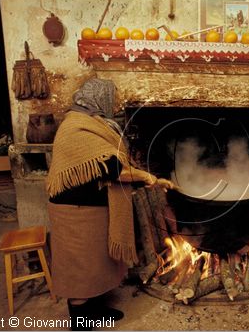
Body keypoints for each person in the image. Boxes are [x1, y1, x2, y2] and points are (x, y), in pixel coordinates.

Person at [46, 78, 173, 331]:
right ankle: (81, 322)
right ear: (97, 99)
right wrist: (148, 178)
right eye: (110, 98)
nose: (114, 104)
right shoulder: (77, 128)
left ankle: (95, 311)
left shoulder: (92, 122)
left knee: (98, 264)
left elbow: (111, 168)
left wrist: (141, 178)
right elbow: (112, 170)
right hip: (75, 211)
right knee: (81, 269)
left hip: (92, 206)